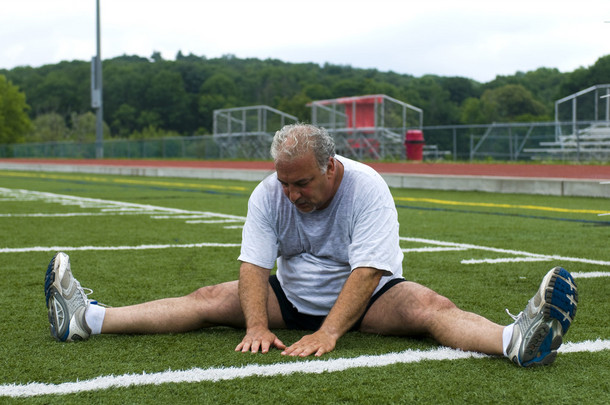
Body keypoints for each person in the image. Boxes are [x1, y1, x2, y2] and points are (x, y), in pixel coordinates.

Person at [44, 123, 578, 366]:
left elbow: (369, 271)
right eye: (285, 183)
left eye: (303, 183)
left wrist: (328, 333)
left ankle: (517, 339)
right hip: (291, 295)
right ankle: (86, 319)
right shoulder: (270, 191)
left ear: (331, 167)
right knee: (209, 297)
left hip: (366, 300)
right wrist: (256, 324)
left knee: (429, 305)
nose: (292, 194)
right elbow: (253, 265)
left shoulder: (368, 187)